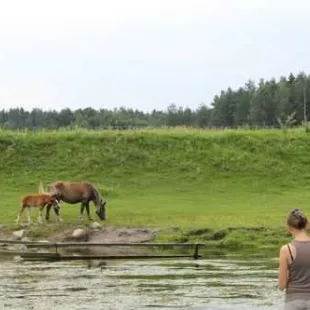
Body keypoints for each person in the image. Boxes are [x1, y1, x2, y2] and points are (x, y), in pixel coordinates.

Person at [278, 208, 310, 309]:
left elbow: (282, 285)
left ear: (289, 228)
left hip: (293, 301)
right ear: (307, 225)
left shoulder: (286, 250)